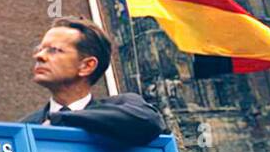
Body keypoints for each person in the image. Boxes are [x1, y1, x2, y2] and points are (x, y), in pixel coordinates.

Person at [25, 18, 165, 145]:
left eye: (53, 50)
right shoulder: (25, 126)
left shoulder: (125, 108)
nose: (39, 56)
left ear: (87, 66)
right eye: (40, 49)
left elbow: (149, 121)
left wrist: (62, 120)